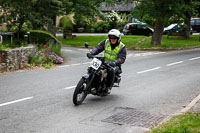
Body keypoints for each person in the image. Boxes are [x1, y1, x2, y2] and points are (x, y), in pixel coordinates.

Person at [87, 29, 127, 94]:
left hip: (115, 64)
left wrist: (115, 62)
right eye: (111, 37)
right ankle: (90, 82)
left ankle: (108, 87)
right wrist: (92, 53)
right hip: (104, 61)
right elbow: (98, 48)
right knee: (93, 68)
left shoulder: (122, 47)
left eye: (114, 38)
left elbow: (122, 58)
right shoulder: (106, 42)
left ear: (118, 38)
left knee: (111, 70)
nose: (112, 39)